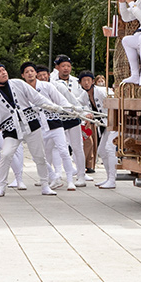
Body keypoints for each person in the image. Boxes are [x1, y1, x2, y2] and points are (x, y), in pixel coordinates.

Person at [0, 62, 62, 198]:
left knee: (39, 156)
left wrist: (53, 107)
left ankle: (45, 185)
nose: (3, 73)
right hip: (11, 129)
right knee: (6, 155)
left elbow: (37, 98)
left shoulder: (18, 83)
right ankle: (1, 187)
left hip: (31, 124)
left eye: (4, 70)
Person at [31, 64, 76, 191]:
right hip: (40, 126)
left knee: (63, 151)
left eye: (32, 71)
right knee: (39, 155)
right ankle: (52, 177)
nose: (42, 77)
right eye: (27, 72)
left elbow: (61, 100)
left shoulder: (48, 86)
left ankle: (70, 180)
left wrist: (72, 110)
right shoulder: (25, 90)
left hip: (55, 123)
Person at [51, 55, 89, 187]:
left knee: (78, 147)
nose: (66, 68)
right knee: (57, 147)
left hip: (74, 116)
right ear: (57, 67)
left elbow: (82, 100)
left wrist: (85, 114)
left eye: (68, 66)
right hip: (59, 117)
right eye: (63, 66)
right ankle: (57, 174)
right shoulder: (52, 80)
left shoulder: (76, 81)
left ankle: (81, 175)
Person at [78, 71, 117, 189]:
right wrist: (86, 115)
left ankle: (112, 180)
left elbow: (115, 100)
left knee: (109, 148)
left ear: (93, 81)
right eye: (84, 80)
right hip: (105, 125)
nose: (86, 83)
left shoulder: (102, 91)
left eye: (88, 80)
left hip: (115, 123)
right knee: (102, 151)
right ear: (80, 83)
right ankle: (109, 178)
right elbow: (77, 105)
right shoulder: (84, 95)